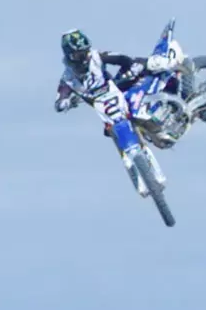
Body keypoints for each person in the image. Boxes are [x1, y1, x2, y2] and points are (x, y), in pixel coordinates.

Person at [53, 28, 167, 196]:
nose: (84, 57)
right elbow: (60, 96)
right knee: (112, 133)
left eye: (84, 52)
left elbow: (121, 58)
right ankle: (139, 175)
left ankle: (164, 110)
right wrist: (63, 102)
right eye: (79, 54)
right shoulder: (68, 78)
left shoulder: (97, 57)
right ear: (70, 55)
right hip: (104, 108)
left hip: (117, 92)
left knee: (140, 97)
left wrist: (132, 66)